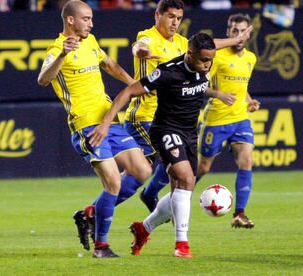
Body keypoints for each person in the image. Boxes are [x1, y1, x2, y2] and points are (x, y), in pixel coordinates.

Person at [88, 33, 235, 258]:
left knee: (182, 189)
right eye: (204, 60)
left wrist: (236, 41)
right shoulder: (168, 72)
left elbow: (198, 82)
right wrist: (107, 122)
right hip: (165, 130)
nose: (208, 65)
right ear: (190, 53)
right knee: (186, 179)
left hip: (189, 134)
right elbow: (129, 90)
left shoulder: (203, 65)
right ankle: (182, 246)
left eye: (211, 60)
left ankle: (144, 228)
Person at [37, 0, 152, 258]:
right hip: (86, 126)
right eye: (86, 18)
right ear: (70, 20)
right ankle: (101, 247)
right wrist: (63, 55)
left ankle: (89, 213)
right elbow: (43, 79)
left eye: (90, 18)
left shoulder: (90, 42)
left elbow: (110, 66)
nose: (91, 23)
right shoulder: (57, 49)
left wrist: (136, 85)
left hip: (108, 121)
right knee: (112, 182)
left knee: (142, 170)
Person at [129, 0, 253, 214]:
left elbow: (207, 46)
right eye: (170, 17)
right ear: (157, 16)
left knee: (175, 168)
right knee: (145, 172)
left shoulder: (181, 43)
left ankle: (164, 218)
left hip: (175, 116)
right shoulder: (148, 37)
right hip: (148, 114)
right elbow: (139, 45)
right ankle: (96, 212)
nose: (175, 22)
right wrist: (140, 51)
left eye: (178, 18)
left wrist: (236, 39)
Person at [197, 13, 259, 229]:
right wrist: (218, 94)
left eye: (242, 31)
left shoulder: (251, 58)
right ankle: (179, 196)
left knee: (246, 160)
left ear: (249, 32)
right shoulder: (217, 57)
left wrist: (249, 101)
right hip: (216, 119)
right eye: (234, 31)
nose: (239, 35)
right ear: (228, 32)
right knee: (203, 167)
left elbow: (242, 88)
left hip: (240, 118)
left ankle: (239, 213)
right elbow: (198, 85)